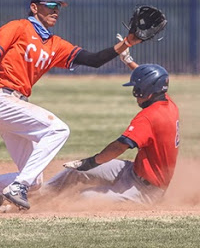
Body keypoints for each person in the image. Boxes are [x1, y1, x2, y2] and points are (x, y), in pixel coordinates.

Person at [0, 0, 143, 212]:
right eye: (50, 5)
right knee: (59, 130)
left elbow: (94, 59)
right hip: (1, 99)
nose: (55, 11)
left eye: (58, 6)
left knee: (36, 181)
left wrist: (127, 42)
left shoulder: (54, 44)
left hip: (16, 103)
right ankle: (17, 186)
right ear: (34, 7)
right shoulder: (18, 27)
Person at [43, 59, 180, 205]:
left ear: (148, 91)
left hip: (146, 191)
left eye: (138, 90)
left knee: (84, 198)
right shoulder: (167, 102)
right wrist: (129, 62)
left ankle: (45, 206)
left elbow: (120, 146)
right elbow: (153, 80)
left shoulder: (149, 117)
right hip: (132, 171)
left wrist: (91, 162)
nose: (135, 94)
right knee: (76, 171)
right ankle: (37, 195)